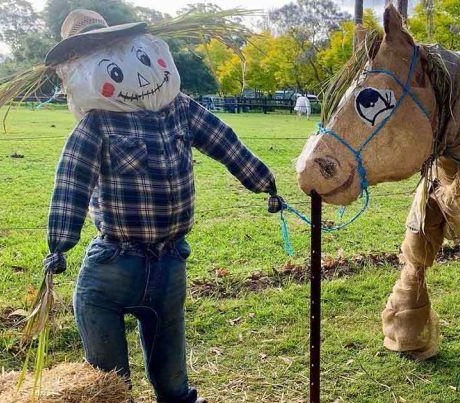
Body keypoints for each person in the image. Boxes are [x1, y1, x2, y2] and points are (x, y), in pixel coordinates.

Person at [41, 10, 282, 403]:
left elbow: (226, 143)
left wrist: (264, 183)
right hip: (112, 267)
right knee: (110, 389)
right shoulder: (96, 125)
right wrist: (59, 244)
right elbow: (71, 184)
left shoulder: (180, 109)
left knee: (173, 385)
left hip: (171, 264)